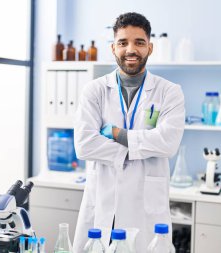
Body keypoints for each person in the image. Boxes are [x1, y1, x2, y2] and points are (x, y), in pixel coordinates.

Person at [73, 12, 185, 253]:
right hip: (103, 204)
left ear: (150, 48)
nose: (130, 49)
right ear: (113, 48)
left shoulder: (169, 92)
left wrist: (115, 133)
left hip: (145, 207)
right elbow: (84, 145)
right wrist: (142, 145)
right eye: (123, 42)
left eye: (139, 42)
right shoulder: (95, 91)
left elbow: (168, 143)